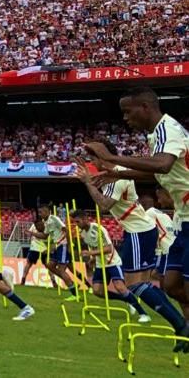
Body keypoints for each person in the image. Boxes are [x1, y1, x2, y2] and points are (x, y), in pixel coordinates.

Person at [84, 87, 189, 326]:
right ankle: (183, 327)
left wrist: (111, 159)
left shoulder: (167, 129)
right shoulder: (156, 135)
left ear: (145, 107)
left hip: (149, 226)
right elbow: (155, 172)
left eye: (128, 112)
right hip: (183, 217)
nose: (125, 118)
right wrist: (115, 172)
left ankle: (182, 327)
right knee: (171, 285)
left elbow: (161, 165)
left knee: (140, 283)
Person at [71, 209, 189, 342]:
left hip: (112, 262)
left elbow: (109, 248)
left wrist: (91, 254)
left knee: (124, 287)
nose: (77, 224)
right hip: (100, 264)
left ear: (86, 218)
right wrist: (93, 258)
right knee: (97, 291)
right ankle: (127, 300)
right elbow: (94, 246)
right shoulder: (82, 233)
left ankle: (142, 313)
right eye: (75, 222)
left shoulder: (98, 229)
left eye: (78, 221)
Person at [76, 156, 167, 323]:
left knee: (133, 285)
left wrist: (88, 182)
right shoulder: (113, 176)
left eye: (94, 160)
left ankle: (146, 313)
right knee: (100, 290)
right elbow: (99, 187)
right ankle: (174, 318)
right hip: (129, 236)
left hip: (135, 235)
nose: (93, 164)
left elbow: (104, 205)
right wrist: (89, 178)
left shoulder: (120, 177)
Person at [31, 205, 81, 300]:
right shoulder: (46, 222)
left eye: (41, 212)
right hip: (57, 246)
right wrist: (33, 233)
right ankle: (71, 283)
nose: (40, 214)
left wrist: (70, 245)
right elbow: (45, 235)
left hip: (63, 245)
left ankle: (75, 294)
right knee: (49, 265)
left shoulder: (54, 218)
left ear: (47, 212)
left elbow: (66, 230)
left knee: (62, 270)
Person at [142, 191, 177, 289]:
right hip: (171, 246)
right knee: (157, 274)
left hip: (165, 249)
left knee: (161, 277)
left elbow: (150, 232)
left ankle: (161, 297)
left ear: (143, 205)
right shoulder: (162, 214)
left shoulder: (149, 213)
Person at [19, 218, 57, 288]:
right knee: (47, 265)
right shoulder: (44, 225)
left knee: (30, 263)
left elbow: (29, 233)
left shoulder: (41, 225)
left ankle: (23, 279)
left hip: (40, 247)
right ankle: (54, 281)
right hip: (39, 247)